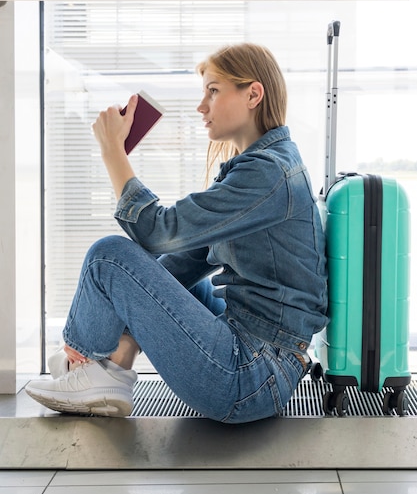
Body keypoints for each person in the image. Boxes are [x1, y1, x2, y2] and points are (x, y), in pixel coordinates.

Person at [26, 43, 328, 423]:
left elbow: (158, 230)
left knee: (108, 256)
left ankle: (89, 365)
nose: (202, 106)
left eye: (213, 91)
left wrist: (113, 153)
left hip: (250, 376)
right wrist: (118, 308)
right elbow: (179, 259)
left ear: (253, 94)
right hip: (263, 358)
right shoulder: (262, 167)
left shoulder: (267, 173)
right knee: (165, 273)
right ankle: (105, 369)